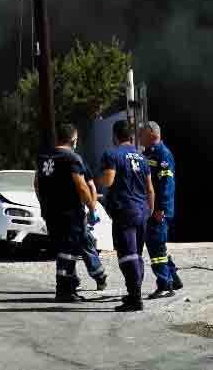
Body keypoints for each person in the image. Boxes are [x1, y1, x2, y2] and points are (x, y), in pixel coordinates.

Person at [36, 123, 101, 302]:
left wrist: (44, 204)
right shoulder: (72, 158)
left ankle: (67, 286)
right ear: (73, 139)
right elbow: (81, 185)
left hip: (50, 213)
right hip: (69, 213)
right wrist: (92, 207)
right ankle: (65, 290)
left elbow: (37, 183)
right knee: (69, 251)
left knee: (62, 250)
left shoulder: (43, 157)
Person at [99, 118, 155, 311]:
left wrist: (98, 177)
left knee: (126, 255)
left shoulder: (111, 154)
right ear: (131, 137)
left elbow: (108, 181)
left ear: (114, 136)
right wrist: (150, 210)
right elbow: (150, 189)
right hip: (141, 211)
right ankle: (134, 293)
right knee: (137, 255)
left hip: (124, 211)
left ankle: (135, 297)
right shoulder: (142, 157)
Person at [141, 121, 183, 298]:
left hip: (159, 210)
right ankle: (173, 277)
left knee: (156, 246)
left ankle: (165, 285)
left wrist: (161, 208)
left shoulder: (162, 153)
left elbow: (166, 184)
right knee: (157, 245)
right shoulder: (148, 153)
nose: (140, 137)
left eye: (142, 133)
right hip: (151, 208)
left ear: (152, 134)